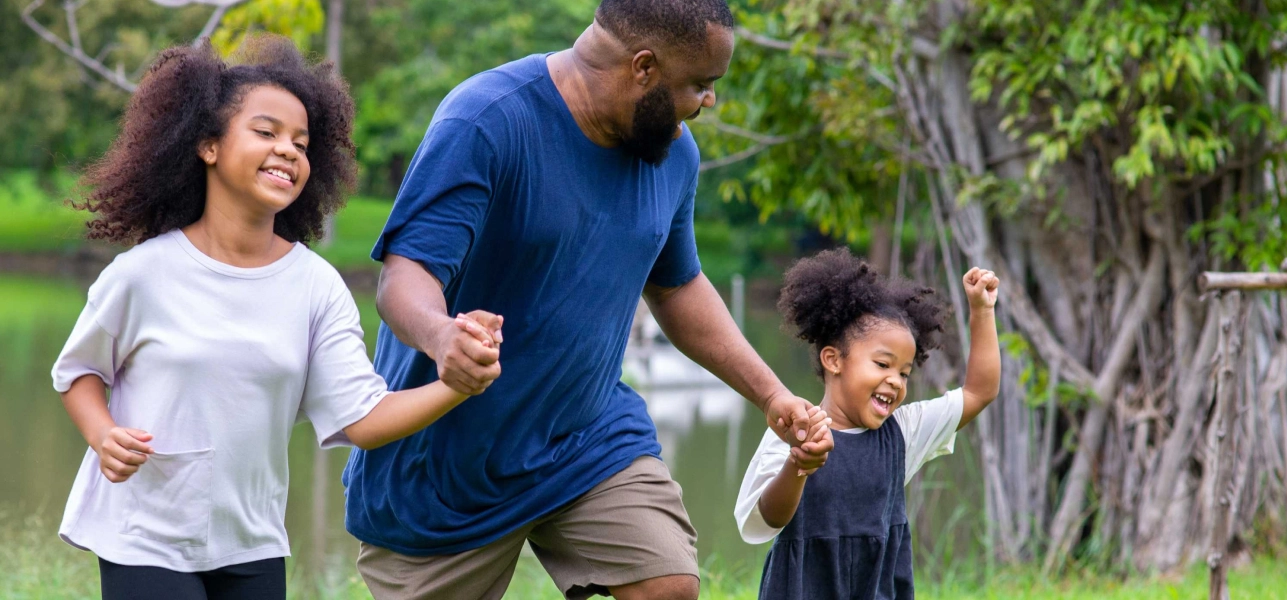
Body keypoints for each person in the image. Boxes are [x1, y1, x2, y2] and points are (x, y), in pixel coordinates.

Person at [341, 0, 822, 598]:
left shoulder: (672, 154)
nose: (708, 101)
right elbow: (405, 276)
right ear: (643, 67)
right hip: (444, 462)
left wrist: (771, 392)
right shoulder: (487, 121)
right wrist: (443, 337)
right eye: (699, 84)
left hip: (586, 437)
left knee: (668, 585)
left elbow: (676, 285)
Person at [50, 37, 490, 600]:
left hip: (253, 544)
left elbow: (361, 417)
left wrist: (454, 386)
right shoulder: (143, 274)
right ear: (208, 145)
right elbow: (79, 371)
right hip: (145, 536)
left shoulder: (316, 286)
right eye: (267, 132)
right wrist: (102, 433)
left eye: (301, 144)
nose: (288, 151)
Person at [733, 249, 1002, 599]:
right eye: (882, 364)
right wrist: (798, 464)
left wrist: (982, 311)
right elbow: (763, 520)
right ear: (833, 360)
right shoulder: (795, 429)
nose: (895, 380)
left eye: (904, 372)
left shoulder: (902, 432)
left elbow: (980, 392)